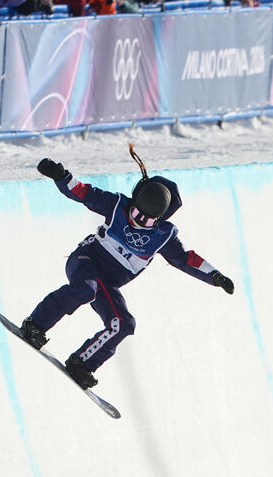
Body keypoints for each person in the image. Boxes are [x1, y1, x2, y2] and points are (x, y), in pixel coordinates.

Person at [19, 153, 235, 389]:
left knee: (124, 323)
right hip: (85, 261)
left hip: (107, 283)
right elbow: (84, 193)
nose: (138, 222)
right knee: (85, 289)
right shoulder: (116, 205)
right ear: (133, 204)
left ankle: (82, 363)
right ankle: (36, 324)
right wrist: (61, 176)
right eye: (135, 214)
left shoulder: (164, 236)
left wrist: (215, 276)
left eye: (147, 221)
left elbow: (185, 259)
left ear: (160, 219)